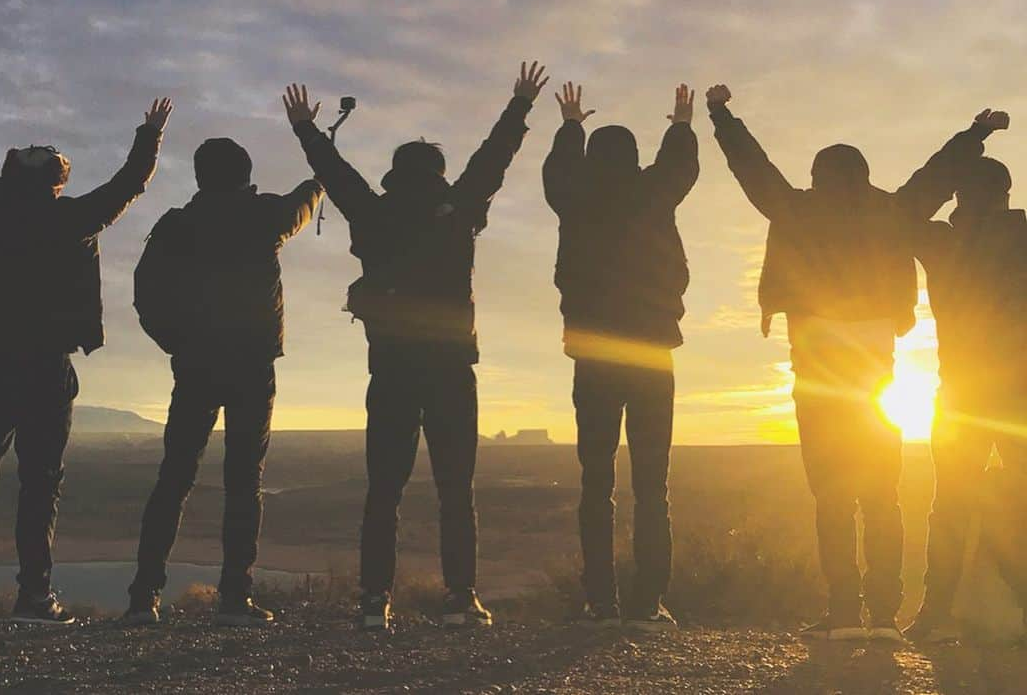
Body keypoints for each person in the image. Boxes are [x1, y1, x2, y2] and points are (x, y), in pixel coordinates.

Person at [706, 84, 1004, 642]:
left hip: (818, 372)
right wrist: (975, 134)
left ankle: (844, 612)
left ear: (819, 175)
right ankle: (885, 617)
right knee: (881, 494)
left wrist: (722, 115)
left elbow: (754, 171)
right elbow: (934, 180)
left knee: (832, 494)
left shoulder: (797, 206)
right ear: (863, 176)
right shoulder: (889, 210)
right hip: (873, 371)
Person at [283, 62, 548, 633]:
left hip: (391, 370)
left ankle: (373, 600)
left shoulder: (373, 212)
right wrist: (519, 105)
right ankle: (461, 599)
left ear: (396, 172)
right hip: (452, 368)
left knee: (384, 489)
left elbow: (337, 172)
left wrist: (306, 128)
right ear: (439, 173)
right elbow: (491, 163)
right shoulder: (459, 210)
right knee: (457, 488)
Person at [0, 98, 173, 624]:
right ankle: (33, 596)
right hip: (47, 369)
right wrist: (150, 133)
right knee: (41, 481)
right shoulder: (72, 218)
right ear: (58, 179)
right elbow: (129, 185)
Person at [125, 135, 322, 627]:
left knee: (174, 477)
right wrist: (319, 181)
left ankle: (143, 598)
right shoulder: (264, 216)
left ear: (199, 176)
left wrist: (177, 342)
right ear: (245, 173)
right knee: (244, 481)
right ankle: (235, 598)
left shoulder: (176, 224)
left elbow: (144, 295)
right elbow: (301, 206)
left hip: (195, 364)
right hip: (252, 364)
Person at [543, 82, 698, 627]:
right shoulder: (650, 193)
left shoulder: (576, 198)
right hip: (652, 351)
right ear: (634, 158)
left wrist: (569, 127)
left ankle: (599, 601)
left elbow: (555, 178)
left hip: (594, 355)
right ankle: (647, 602)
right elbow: (679, 172)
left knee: (595, 480)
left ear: (590, 158)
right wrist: (680, 125)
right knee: (652, 482)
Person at [906, 134, 1027, 643]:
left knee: (949, 503)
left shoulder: (940, 241)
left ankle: (935, 615)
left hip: (961, 389)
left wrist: (967, 143)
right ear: (1006, 193)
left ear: (957, 196)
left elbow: (910, 201)